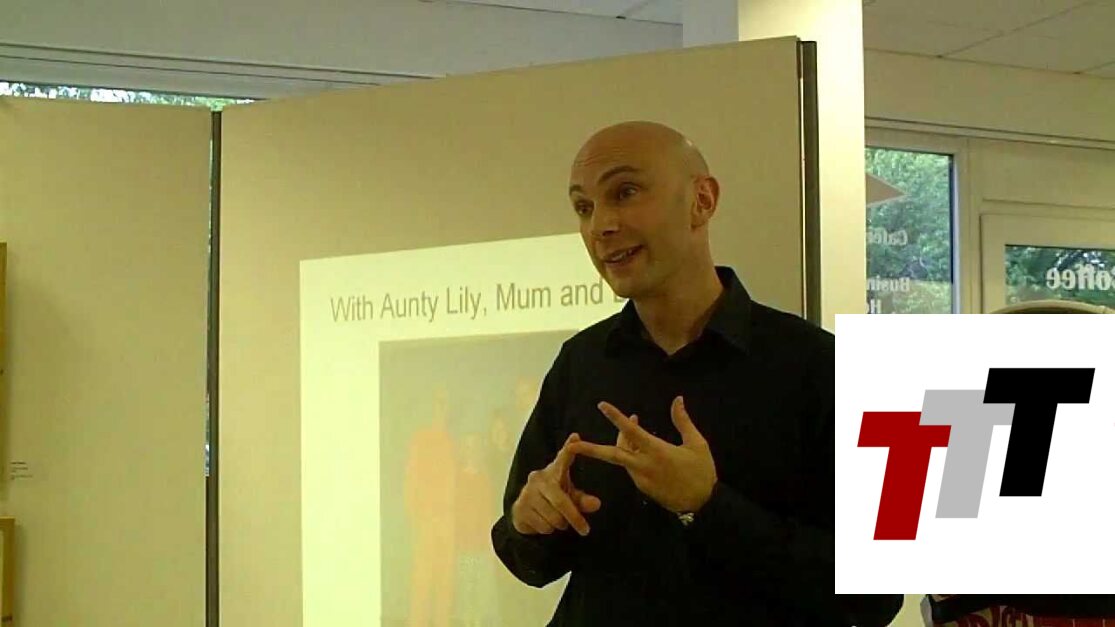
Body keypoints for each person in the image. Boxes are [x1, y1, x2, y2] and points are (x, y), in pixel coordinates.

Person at [489, 121, 903, 626]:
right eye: (583, 207)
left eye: (625, 192)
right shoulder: (581, 363)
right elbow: (525, 556)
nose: (600, 226)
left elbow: (875, 596)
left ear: (702, 201)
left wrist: (707, 506)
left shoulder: (818, 366)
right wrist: (529, 521)